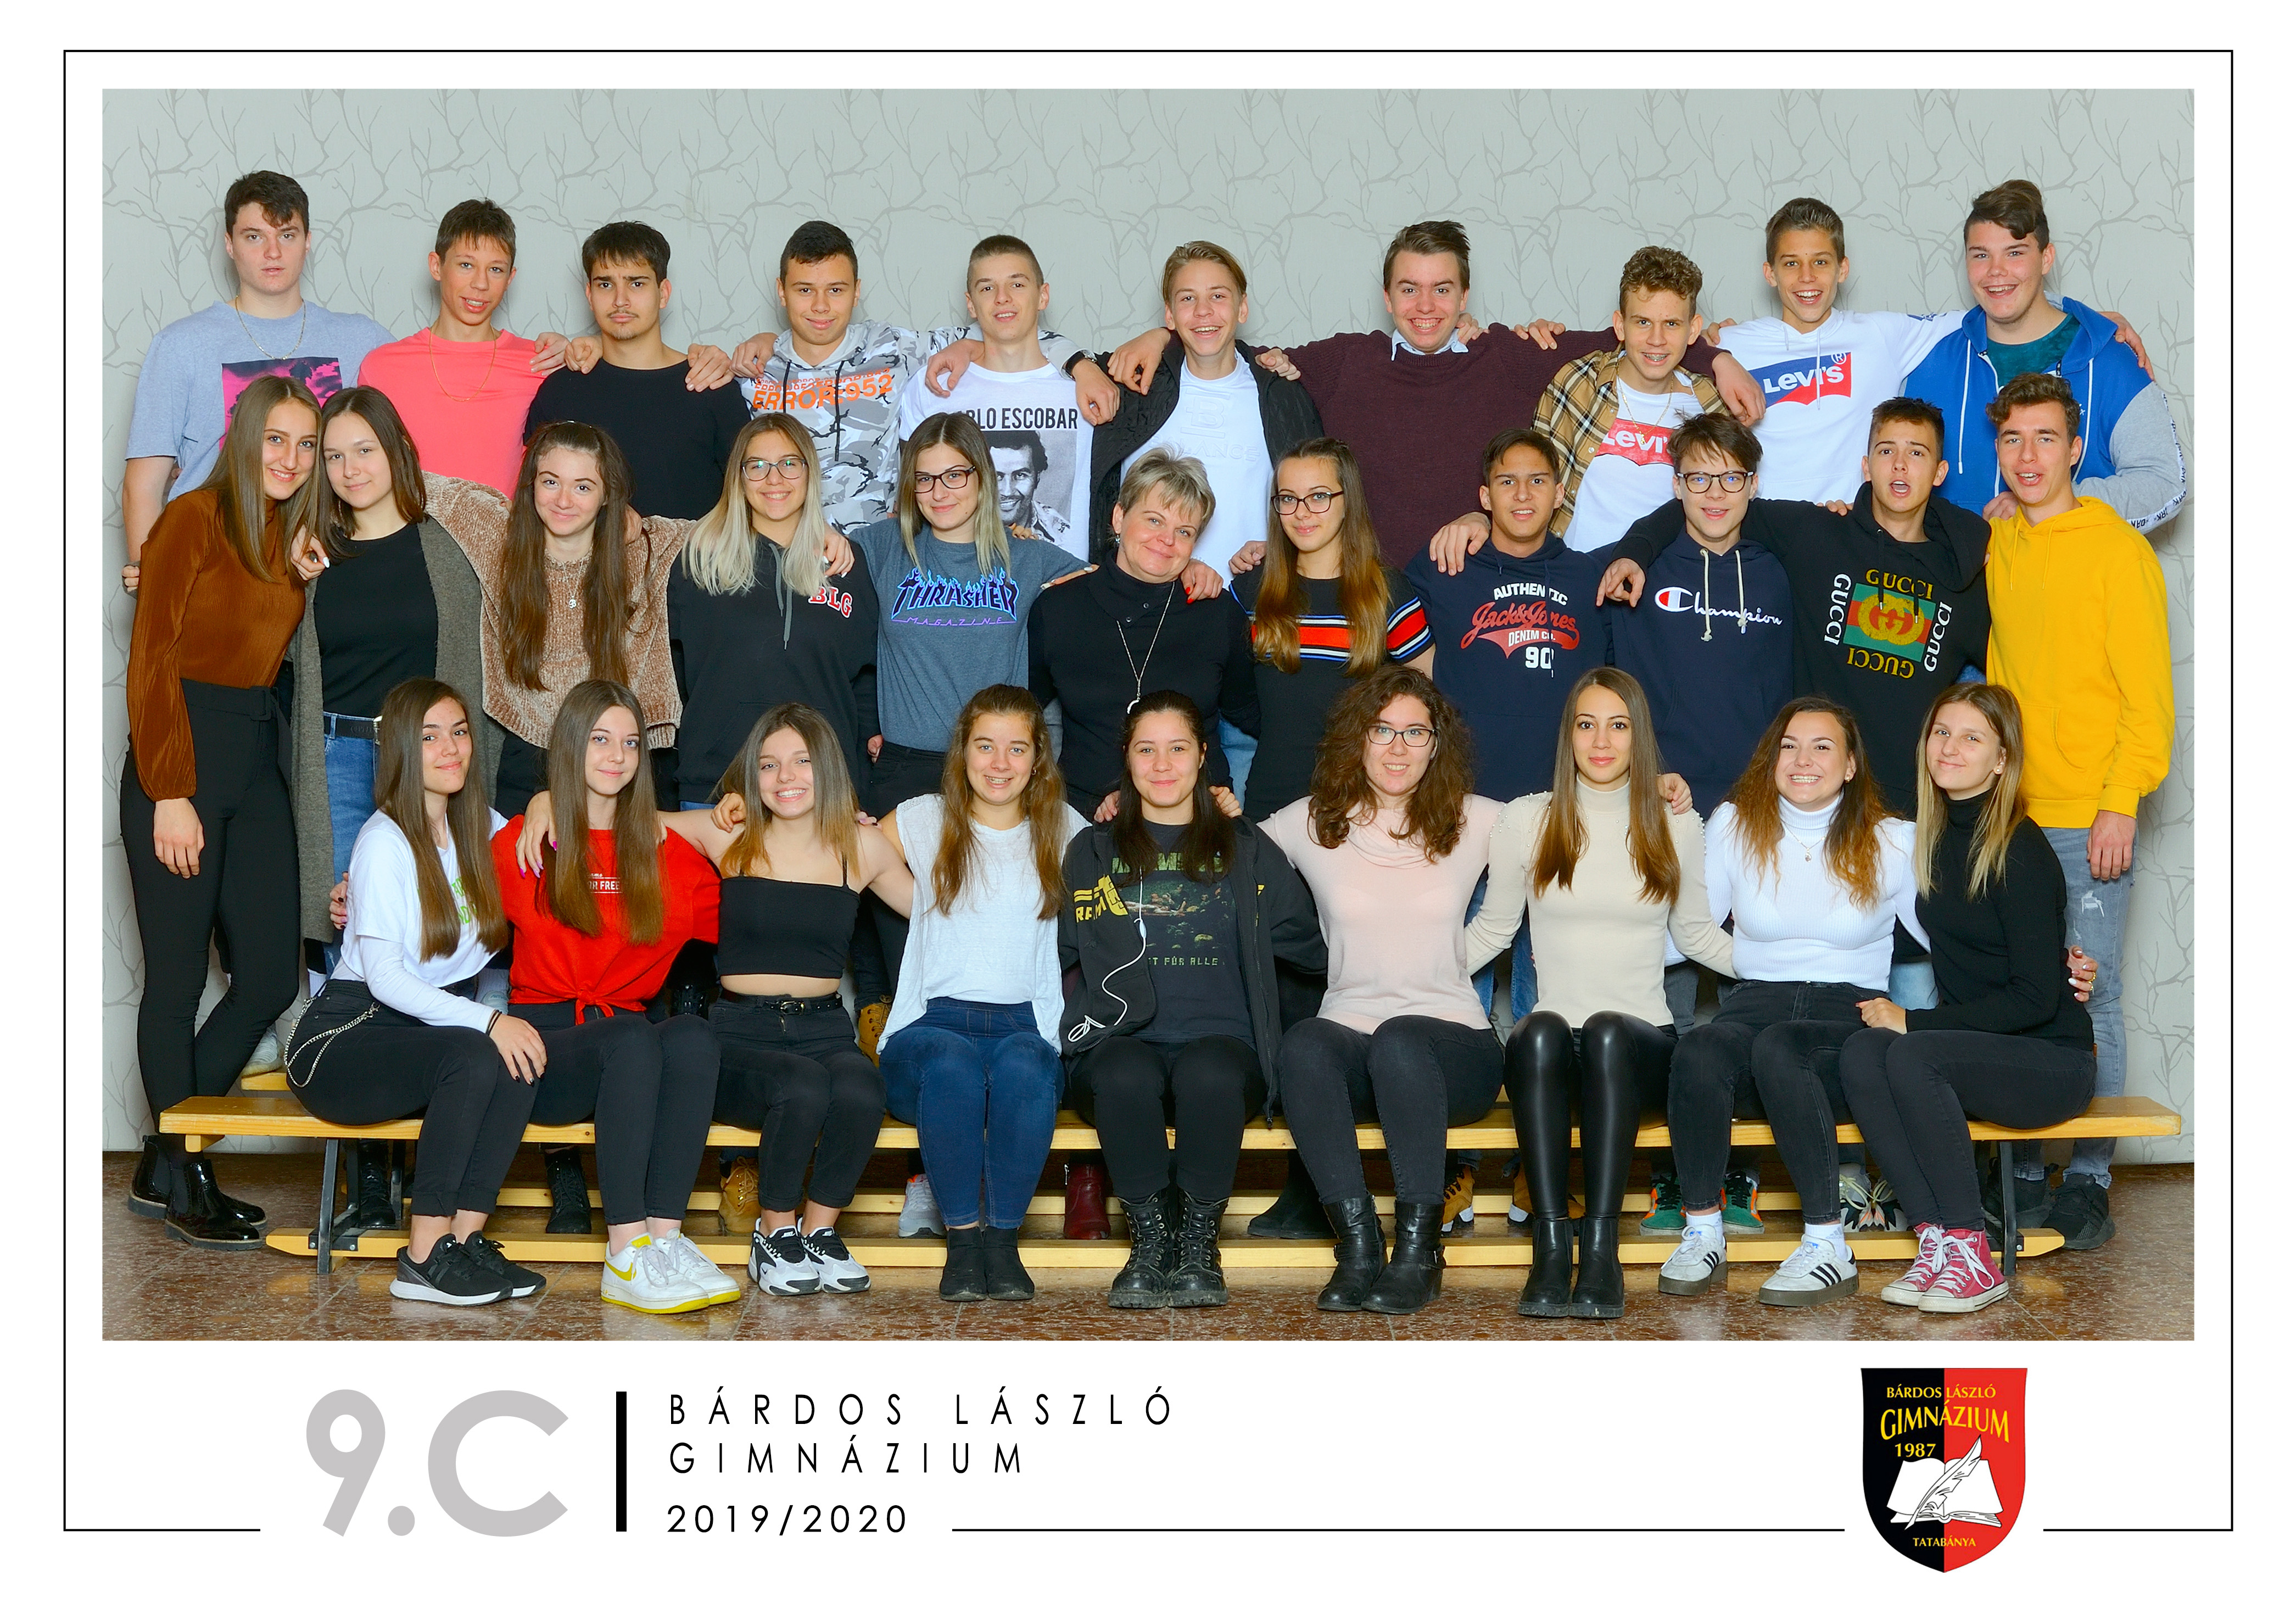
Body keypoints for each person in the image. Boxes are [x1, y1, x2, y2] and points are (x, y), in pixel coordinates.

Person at [1098, 220, 1760, 567]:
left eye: (1441, 290)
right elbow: (1225, 346)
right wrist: (1160, 336)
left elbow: (1638, 336)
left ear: (1464, 295)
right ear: (1386, 298)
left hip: (1481, 603)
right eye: (1408, 290)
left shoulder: (1506, 356)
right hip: (1368, 607)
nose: (1424, 306)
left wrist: (1716, 356)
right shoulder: (1344, 361)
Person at [280, 386, 501, 1230]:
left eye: (364, 450)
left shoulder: (445, 546)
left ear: (396, 451)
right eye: (334, 456)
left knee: (436, 925)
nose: (350, 469)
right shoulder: (310, 554)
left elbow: (473, 671)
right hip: (339, 756)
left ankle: (432, 1155)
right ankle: (368, 1179)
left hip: (424, 756)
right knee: (352, 938)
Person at [1465, 667, 1734, 1319]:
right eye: (1586, 725)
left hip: (1639, 1048)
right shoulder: (1526, 819)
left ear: (1638, 736)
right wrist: (1400, 969)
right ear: (1568, 735)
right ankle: (1550, 1249)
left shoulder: (1673, 822)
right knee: (1536, 1028)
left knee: (1609, 1027)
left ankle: (1600, 1250)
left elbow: (1697, 935)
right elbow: (1492, 931)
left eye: (1617, 725)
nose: (1601, 740)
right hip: (1555, 1054)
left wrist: (1791, 969)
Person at [121, 373, 320, 1248]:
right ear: (244, 437)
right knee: (174, 983)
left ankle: (166, 1156)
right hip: (181, 756)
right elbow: (152, 656)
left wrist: (311, 574)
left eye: (306, 445)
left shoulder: (291, 539)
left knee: (270, 976)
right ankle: (188, 1174)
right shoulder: (190, 519)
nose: (292, 458)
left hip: (254, 753)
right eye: (276, 439)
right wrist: (169, 788)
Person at [1977, 370, 2172, 1247]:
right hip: (2010, 817)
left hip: (2090, 815)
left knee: (2091, 995)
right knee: (2021, 995)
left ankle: (2089, 1179)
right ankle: (2022, 1172)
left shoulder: (2117, 550)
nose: (2028, 456)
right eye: (2012, 438)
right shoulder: (2000, 541)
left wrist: (2119, 803)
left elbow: (2147, 697)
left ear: (2076, 448)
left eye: (2045, 438)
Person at [284, 679, 548, 1305]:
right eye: (430, 737)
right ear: (403, 747)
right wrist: (490, 1021)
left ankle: (464, 1239)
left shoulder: (480, 826)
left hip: (415, 1029)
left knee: (520, 1060)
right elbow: (386, 979)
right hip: (343, 1037)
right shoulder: (385, 841)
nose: (450, 748)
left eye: (459, 732)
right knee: (479, 1050)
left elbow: (552, 854)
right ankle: (424, 1256)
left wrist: (542, 803)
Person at [1059, 695, 1324, 1308]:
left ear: (1203, 756)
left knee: (1209, 1072)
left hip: (1224, 1042)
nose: (1162, 764)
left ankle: (1198, 1245)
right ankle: (1151, 1244)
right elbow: (1059, 952)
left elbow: (1309, 946)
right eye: (1146, 749)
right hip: (1119, 1038)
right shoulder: (1091, 849)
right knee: (1122, 1072)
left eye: (1177, 748)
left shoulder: (1246, 846)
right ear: (1126, 758)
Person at [1654, 697, 1919, 1307]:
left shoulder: (1892, 839)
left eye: (1822, 746)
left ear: (1850, 765)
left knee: (1783, 1049)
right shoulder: (1733, 825)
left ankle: (1828, 1244)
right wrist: (1600, 952)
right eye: (1789, 746)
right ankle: (1702, 1233)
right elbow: (1687, 931)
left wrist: (2047, 967)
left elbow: (1947, 938)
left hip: (1846, 1020)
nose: (1802, 760)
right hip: (1753, 1006)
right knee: (1698, 1048)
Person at [1840, 683, 2096, 1313]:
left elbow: (2035, 999)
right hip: (1980, 1048)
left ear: (2001, 760)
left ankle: (1971, 1252)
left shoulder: (2018, 848)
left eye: (1971, 737)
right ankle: (1935, 1239)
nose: (1949, 748)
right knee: (1861, 1053)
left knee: (1910, 1051)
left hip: (2050, 1060)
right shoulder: (1932, 837)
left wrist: (1914, 1020)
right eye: (1941, 732)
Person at [1607, 398, 1990, 817]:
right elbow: (1711, 501)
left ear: (1939, 472)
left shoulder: (1964, 578)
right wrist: (1634, 551)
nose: (1899, 465)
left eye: (1916, 453)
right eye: (1886, 450)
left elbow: (2013, 676)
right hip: (1810, 795)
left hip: (1908, 809)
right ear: (1866, 466)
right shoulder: (1816, 534)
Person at [1259, 667, 1505, 1315]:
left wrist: (1656, 790)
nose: (1397, 747)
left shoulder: (1478, 819)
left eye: (1414, 732)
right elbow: (1224, 854)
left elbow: (1579, 828)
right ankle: (1359, 1247)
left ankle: (1419, 1252)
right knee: (1305, 1044)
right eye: (1381, 730)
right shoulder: (1311, 822)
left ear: (1435, 744)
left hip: (1455, 1052)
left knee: (1401, 1038)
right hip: (1355, 1048)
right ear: (1357, 738)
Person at [492, 680, 736, 1314]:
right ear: (571, 745)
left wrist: (826, 840)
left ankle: (664, 1241)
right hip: (542, 1055)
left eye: (631, 743)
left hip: (629, 1055)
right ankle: (624, 1253)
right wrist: (358, 899)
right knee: (632, 1037)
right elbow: (443, 904)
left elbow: (752, 910)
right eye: (601, 739)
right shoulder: (525, 839)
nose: (617, 755)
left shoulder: (666, 855)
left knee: (692, 1034)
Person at [665, 705, 916, 1295]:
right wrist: (546, 804)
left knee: (862, 1089)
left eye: (801, 761)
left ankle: (817, 1231)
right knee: (800, 1086)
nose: (785, 777)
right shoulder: (727, 833)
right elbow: (618, 825)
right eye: (769, 765)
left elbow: (940, 913)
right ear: (751, 776)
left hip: (825, 1031)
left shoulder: (861, 846)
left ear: (826, 768)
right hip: (738, 1036)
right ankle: (773, 1232)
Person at [1714, 194, 2151, 504]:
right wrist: (1713, 355)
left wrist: (2087, 318)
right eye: (1791, 264)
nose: (1807, 277)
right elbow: (1670, 354)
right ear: (1769, 273)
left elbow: (2005, 301)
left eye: (1821, 262)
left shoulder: (1884, 335)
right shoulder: (1733, 345)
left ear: (1842, 269)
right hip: (1762, 534)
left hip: (1847, 535)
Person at [875, 686, 1087, 1303]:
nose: (999, 763)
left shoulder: (1064, 828)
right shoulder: (924, 817)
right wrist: (920, 906)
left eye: (1016, 748)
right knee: (952, 1064)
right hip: (929, 1026)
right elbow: (848, 855)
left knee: (1028, 1064)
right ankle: (964, 1244)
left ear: (1037, 757)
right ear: (962, 751)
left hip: (1024, 1023)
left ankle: (1001, 1242)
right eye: (985, 745)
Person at [728, 219, 1098, 528]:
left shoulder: (894, 349)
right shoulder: (753, 371)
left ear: (857, 292)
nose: (821, 306)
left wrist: (1080, 366)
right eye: (805, 290)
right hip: (781, 558)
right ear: (782, 292)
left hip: (875, 563)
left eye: (836, 290)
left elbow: (1011, 331)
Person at [122, 172, 389, 581]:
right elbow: (142, 486)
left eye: (287, 235)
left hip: (337, 573)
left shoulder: (363, 341)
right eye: (254, 237)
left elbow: (404, 453)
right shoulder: (180, 346)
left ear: (308, 241)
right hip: (216, 576)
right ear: (229, 244)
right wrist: (153, 583)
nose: (272, 252)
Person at [1905, 180, 2186, 532]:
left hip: (2073, 565)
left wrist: (2055, 505)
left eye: (2015, 253)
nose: (1996, 271)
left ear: (2046, 258)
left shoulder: (2111, 359)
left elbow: (2164, 483)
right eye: (1981, 255)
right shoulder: (1929, 361)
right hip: (1957, 569)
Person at [466, 421, 684, 819]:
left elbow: (732, 525)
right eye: (551, 482)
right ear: (531, 484)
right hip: (530, 761)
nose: (564, 500)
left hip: (624, 762)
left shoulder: (648, 547)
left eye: (583, 487)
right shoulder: (497, 537)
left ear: (607, 495)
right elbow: (421, 486)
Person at [1028, 450, 1259, 815]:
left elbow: (1252, 714)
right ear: (1119, 517)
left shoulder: (1218, 614)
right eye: (1154, 520)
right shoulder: (1057, 609)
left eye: (1184, 532)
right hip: (1086, 817)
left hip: (1197, 816)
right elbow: (1020, 714)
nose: (1167, 539)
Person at [1083, 242, 1323, 577]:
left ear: (1242, 308)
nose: (1203, 311)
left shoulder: (1281, 395)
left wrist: (1283, 552)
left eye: (1218, 296)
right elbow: (1036, 354)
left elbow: (1317, 502)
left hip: (1253, 600)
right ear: (1169, 314)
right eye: (1187, 298)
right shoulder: (1135, 385)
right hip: (1144, 600)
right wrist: (1081, 364)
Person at [523, 221, 751, 519]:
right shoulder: (560, 390)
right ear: (590, 295)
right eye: (606, 285)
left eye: (637, 284)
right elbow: (532, 500)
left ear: (663, 293)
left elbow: (748, 499)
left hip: (693, 551)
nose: (621, 301)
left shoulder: (711, 385)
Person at [354, 198, 578, 496]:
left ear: (510, 278)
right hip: (411, 525)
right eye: (466, 265)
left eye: (495, 269)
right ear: (437, 266)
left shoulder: (540, 362)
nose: (481, 284)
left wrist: (587, 349)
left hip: (506, 526)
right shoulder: (382, 367)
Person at [895, 236, 1097, 560]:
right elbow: (910, 498)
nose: (1002, 298)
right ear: (971, 304)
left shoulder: (1085, 385)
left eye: (1017, 285)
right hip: (958, 582)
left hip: (1065, 582)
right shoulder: (931, 386)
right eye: (987, 288)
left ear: (1043, 295)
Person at [1532, 245, 1731, 554]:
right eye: (1642, 322)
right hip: (1579, 571)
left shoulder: (1710, 404)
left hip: (1668, 574)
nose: (1656, 340)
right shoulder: (1578, 384)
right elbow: (1531, 481)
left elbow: (1733, 498)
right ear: (1619, 325)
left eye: (1672, 324)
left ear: (1693, 330)